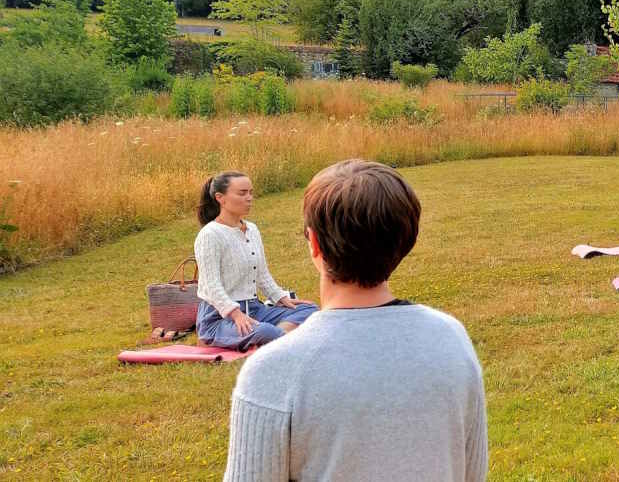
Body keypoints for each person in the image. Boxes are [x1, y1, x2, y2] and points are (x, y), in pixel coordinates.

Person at [224, 160, 487, 481]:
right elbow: (472, 472)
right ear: (406, 239)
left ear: (314, 244)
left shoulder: (273, 371)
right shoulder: (451, 339)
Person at [194, 171, 317, 350]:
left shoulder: (252, 229)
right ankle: (270, 339)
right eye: (242, 193)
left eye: (251, 192)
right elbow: (211, 286)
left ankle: (269, 341)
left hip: (254, 309)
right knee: (266, 331)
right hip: (219, 317)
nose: (249, 198)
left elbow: (262, 274)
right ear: (220, 198)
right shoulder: (209, 235)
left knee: (309, 310)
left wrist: (281, 298)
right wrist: (236, 315)